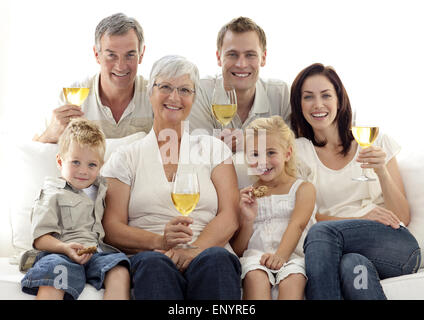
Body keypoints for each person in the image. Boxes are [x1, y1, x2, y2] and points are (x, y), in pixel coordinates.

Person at [101, 55, 241, 300]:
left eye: (184, 90)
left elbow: (230, 215)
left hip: (208, 251)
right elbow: (112, 228)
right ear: (150, 92)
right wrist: (161, 241)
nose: (174, 97)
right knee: (153, 266)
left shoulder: (213, 149)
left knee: (217, 260)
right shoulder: (126, 157)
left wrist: (193, 250)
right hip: (152, 255)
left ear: (194, 98)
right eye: (165, 87)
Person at [290, 63, 421, 300]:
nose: (318, 104)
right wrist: (359, 219)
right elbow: (305, 217)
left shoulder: (376, 141)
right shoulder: (298, 153)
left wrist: (381, 171)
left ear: (339, 100)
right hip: (339, 253)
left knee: (321, 233)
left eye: (326, 95)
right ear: (299, 105)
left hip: (392, 245)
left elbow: (402, 216)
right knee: (353, 266)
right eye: (308, 97)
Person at [21, 118, 131, 300]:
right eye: (75, 162)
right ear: (60, 161)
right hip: (60, 253)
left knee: (119, 268)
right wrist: (64, 248)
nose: (83, 171)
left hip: (95, 253)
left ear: (100, 166)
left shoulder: (103, 189)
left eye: (92, 165)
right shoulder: (52, 192)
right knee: (56, 272)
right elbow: (40, 238)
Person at [231, 116, 316, 300]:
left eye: (271, 153)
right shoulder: (247, 195)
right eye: (255, 154)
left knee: (293, 279)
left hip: (292, 255)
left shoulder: (303, 189)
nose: (263, 161)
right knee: (255, 276)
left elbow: (297, 224)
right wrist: (247, 219)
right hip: (256, 258)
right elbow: (238, 249)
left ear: (287, 154)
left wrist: (281, 256)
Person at [34, 13, 152, 143]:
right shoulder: (73, 97)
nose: (121, 66)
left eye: (130, 55)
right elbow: (34, 152)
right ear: (97, 55)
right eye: (111, 55)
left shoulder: (155, 95)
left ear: (141, 54)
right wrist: (50, 135)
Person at [187, 16, 290, 152]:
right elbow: (198, 155)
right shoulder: (199, 91)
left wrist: (248, 142)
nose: (241, 64)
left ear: (263, 58)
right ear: (219, 58)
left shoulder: (281, 94)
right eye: (232, 54)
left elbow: (290, 152)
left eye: (250, 55)